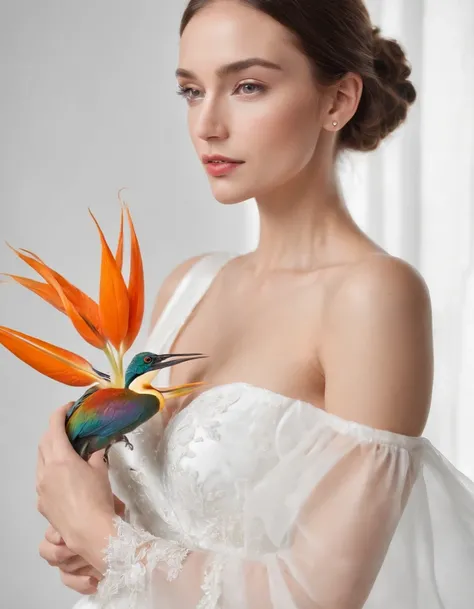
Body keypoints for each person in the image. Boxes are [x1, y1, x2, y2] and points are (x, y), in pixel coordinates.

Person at [36, 0, 474, 607]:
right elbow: (149, 546)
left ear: (337, 101)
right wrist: (93, 551)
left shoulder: (373, 298)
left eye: (247, 86)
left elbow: (319, 597)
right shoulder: (189, 285)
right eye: (191, 90)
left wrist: (98, 533)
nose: (207, 125)